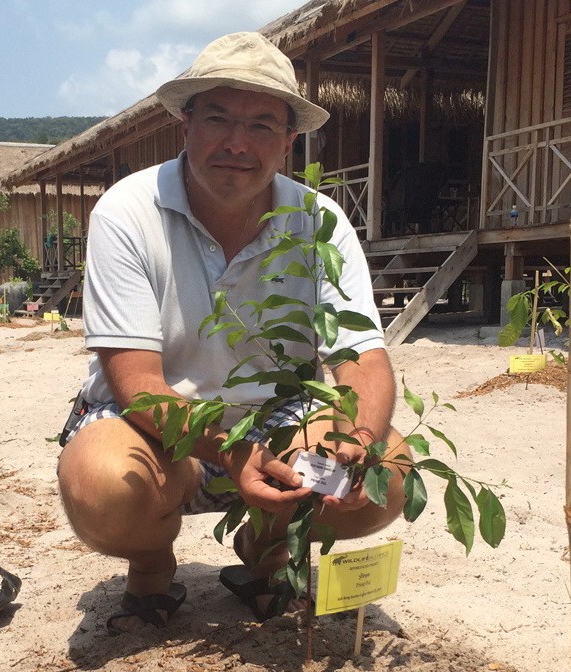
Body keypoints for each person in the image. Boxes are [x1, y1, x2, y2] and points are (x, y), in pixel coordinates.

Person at [57, 31, 411, 633]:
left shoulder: (318, 223)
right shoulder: (128, 211)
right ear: (185, 125)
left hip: (276, 423)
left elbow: (364, 360)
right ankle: (150, 566)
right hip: (156, 429)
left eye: (262, 127)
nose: (237, 143)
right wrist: (232, 452)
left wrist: (358, 440)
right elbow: (136, 383)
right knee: (106, 484)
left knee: (387, 475)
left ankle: (265, 556)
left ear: (288, 143)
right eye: (218, 118)